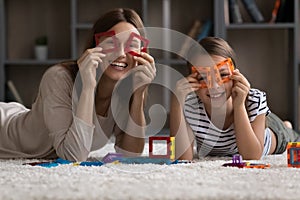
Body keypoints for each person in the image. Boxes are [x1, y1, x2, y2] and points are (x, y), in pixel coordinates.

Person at [0, 8, 156, 161]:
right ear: (95, 47)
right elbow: (73, 156)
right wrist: (87, 87)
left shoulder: (123, 93)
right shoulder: (59, 77)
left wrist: (139, 93)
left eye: (132, 45)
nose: (122, 54)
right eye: (111, 43)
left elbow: (130, 155)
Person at [170, 36, 299, 160]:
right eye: (203, 77)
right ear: (191, 81)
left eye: (224, 74)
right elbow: (182, 158)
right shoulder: (190, 106)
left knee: (287, 133)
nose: (214, 86)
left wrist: (239, 105)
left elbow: (252, 156)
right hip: (254, 119)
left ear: (235, 75)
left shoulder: (254, 99)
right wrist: (177, 101)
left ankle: (285, 125)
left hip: (273, 133)